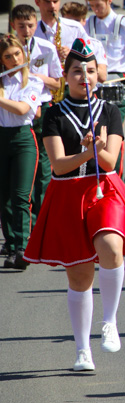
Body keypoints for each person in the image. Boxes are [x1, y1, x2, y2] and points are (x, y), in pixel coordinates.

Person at [23, 38, 125, 371]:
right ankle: (82, 350)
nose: (84, 77)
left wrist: (98, 151)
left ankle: (110, 321)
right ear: (66, 75)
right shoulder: (53, 114)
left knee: (111, 245)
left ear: (98, 75)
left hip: (103, 190)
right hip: (68, 193)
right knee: (79, 278)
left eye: (90, 71)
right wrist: (87, 150)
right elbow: (59, 165)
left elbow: (109, 162)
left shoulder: (109, 110)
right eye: (77, 71)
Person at [10, 4, 62, 221]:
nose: (27, 30)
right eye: (21, 26)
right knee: (19, 167)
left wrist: (33, 76)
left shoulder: (46, 48)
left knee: (43, 164)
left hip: (42, 106)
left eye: (30, 25)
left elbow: (57, 83)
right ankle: (20, 220)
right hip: (16, 110)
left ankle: (42, 216)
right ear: (13, 26)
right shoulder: (8, 49)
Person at [0, 35, 42, 270]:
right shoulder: (2, 81)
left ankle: (21, 249)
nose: (14, 59)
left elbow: (23, 109)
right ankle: (11, 242)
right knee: (3, 196)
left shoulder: (33, 81)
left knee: (20, 195)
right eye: (8, 57)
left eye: (17, 54)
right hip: (1, 137)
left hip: (23, 139)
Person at [33, 0, 91, 66]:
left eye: (55, 1)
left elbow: (90, 58)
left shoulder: (75, 28)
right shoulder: (32, 31)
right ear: (37, 2)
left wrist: (72, 54)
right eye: (47, 2)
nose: (52, 6)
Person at [59, 1, 108, 82]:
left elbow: (102, 76)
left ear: (84, 21)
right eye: (69, 21)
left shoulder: (95, 44)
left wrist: (73, 57)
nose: (73, 26)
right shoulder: (56, 43)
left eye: (76, 21)